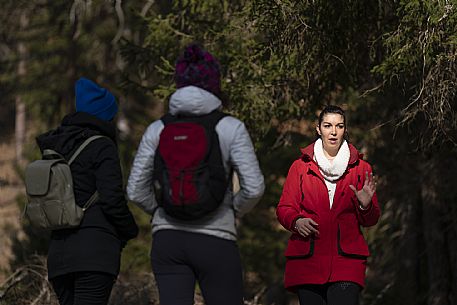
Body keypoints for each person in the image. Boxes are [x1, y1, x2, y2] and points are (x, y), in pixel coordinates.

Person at [127, 43, 265, 305]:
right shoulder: (230, 127)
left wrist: (159, 211)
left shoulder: (157, 128)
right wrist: (232, 211)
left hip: (168, 241)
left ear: (179, 84)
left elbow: (135, 189)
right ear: (214, 84)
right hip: (216, 240)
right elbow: (254, 187)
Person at [36, 77, 139, 305]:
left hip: (59, 256)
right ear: (105, 115)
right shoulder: (103, 146)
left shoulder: (56, 146)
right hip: (94, 254)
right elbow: (112, 200)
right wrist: (130, 230)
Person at [276, 105, 381, 305]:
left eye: (339, 126)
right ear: (318, 129)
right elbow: (284, 208)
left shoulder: (361, 169)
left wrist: (365, 206)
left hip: (346, 262)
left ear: (345, 130)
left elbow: (371, 219)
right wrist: (296, 221)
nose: (333, 131)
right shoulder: (300, 167)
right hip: (308, 260)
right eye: (328, 125)